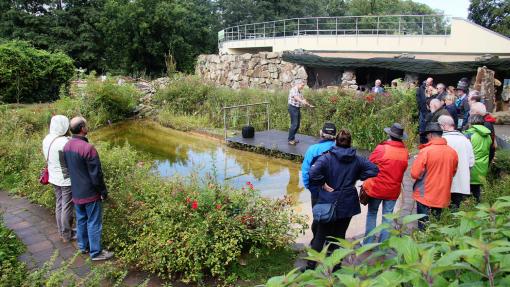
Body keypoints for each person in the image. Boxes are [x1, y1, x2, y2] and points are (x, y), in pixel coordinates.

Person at [307, 130, 378, 269]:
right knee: (339, 236)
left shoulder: (326, 158)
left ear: (336, 141)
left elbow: (312, 172)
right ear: (350, 142)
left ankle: (310, 266)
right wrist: (359, 175)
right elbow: (374, 169)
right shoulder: (357, 159)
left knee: (321, 235)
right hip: (347, 202)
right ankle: (336, 267)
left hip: (328, 199)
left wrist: (322, 182)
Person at [63, 117, 113, 261]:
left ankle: (83, 246)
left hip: (76, 192)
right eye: (86, 125)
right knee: (94, 222)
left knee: (81, 220)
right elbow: (96, 175)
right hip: (90, 193)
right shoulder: (88, 148)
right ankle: (96, 252)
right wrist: (103, 192)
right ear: (82, 128)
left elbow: (67, 168)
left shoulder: (67, 146)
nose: (87, 126)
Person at [363, 123, 409, 244]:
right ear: (401, 138)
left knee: (372, 213)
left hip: (377, 188)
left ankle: (368, 243)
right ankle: (383, 246)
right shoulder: (405, 152)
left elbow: (369, 163)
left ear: (389, 135)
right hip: (393, 190)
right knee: (387, 217)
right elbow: (403, 169)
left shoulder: (381, 148)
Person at [411, 122, 458, 230]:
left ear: (431, 135)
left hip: (425, 195)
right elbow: (453, 172)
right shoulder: (452, 152)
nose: (427, 138)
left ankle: (422, 245)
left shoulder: (426, 151)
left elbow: (414, 174)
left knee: (423, 227)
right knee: (436, 226)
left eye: (427, 135)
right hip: (442, 195)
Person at [301, 122, 337, 242]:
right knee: (332, 214)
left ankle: (316, 240)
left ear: (321, 133)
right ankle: (329, 239)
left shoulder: (313, 149)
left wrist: (308, 185)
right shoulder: (339, 149)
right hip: (334, 188)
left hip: (316, 189)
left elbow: (306, 170)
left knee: (318, 215)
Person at [42, 115, 74, 243]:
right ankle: (67, 234)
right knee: (67, 206)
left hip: (53, 177)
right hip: (65, 179)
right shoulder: (64, 142)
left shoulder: (47, 139)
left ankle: (62, 231)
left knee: (59, 203)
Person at [438, 115, 475, 209]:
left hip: (444, 182)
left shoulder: (442, 140)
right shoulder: (465, 140)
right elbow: (471, 162)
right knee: (457, 208)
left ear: (444, 126)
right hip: (461, 182)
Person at [464, 114, 492, 203]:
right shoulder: (488, 135)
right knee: (477, 192)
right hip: (483, 166)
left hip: (471, 168)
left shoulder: (468, 135)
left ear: (471, 122)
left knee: (466, 194)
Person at [288, 80, 314, 145]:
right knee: (294, 124)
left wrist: (309, 105)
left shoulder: (299, 91)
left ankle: (292, 138)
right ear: (298, 84)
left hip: (297, 108)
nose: (303, 86)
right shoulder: (293, 90)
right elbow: (296, 97)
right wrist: (302, 101)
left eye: (303, 85)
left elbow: (303, 99)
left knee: (297, 124)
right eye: (302, 85)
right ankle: (290, 139)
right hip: (292, 108)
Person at [417, 77, 433, 144]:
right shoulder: (421, 88)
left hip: (429, 111)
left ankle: (428, 140)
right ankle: (422, 141)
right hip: (422, 109)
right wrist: (420, 105)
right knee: (422, 125)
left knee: (428, 125)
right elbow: (418, 97)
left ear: (431, 83)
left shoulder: (433, 89)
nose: (428, 83)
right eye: (427, 82)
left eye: (429, 82)